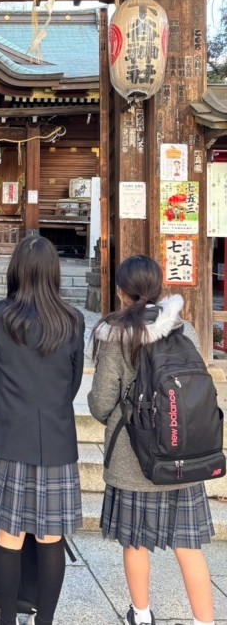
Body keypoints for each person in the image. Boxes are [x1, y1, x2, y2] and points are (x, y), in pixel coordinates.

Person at [88, 254, 216, 625]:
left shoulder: (116, 336)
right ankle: (204, 621)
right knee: (188, 546)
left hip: (133, 458)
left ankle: (141, 615)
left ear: (120, 292)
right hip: (182, 453)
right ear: (159, 289)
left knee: (135, 542)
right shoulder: (184, 329)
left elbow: (101, 403)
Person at [0, 235, 85, 625]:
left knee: (8, 533)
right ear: (53, 272)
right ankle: (44, 620)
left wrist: (7, 407)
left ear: (16, 269)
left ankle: (7, 617)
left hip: (8, 436)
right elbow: (72, 384)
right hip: (54, 437)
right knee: (51, 536)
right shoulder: (72, 319)